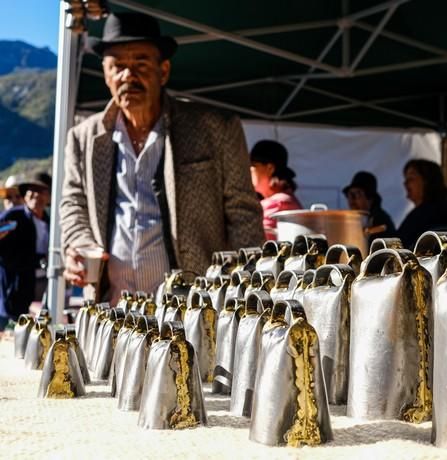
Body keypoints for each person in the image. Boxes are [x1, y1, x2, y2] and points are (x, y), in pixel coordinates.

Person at [60, 12, 263, 303]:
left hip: (194, 309)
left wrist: (245, 294)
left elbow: (244, 215)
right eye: (117, 66)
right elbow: (73, 203)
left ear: (163, 71)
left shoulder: (215, 128)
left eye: (140, 63)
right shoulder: (83, 138)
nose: (128, 76)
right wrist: (80, 246)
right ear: (105, 74)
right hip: (113, 309)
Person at [0, 173, 51, 331]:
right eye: (31, 190)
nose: (36, 195)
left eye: (41, 190)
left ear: (49, 196)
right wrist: (37, 260)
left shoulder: (50, 220)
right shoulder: (13, 218)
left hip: (43, 283)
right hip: (16, 287)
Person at [397, 159, 447, 249]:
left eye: (411, 178)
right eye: (406, 179)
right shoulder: (420, 213)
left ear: (426, 180)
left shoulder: (438, 214)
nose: (405, 183)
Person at [250, 139, 302, 240]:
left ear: (270, 168)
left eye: (253, 165)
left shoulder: (279, 202)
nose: (249, 169)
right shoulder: (281, 200)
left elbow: (256, 239)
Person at [342, 171, 396, 245]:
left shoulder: (379, 220)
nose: (352, 199)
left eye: (357, 194)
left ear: (370, 198)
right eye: (350, 194)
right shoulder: (357, 221)